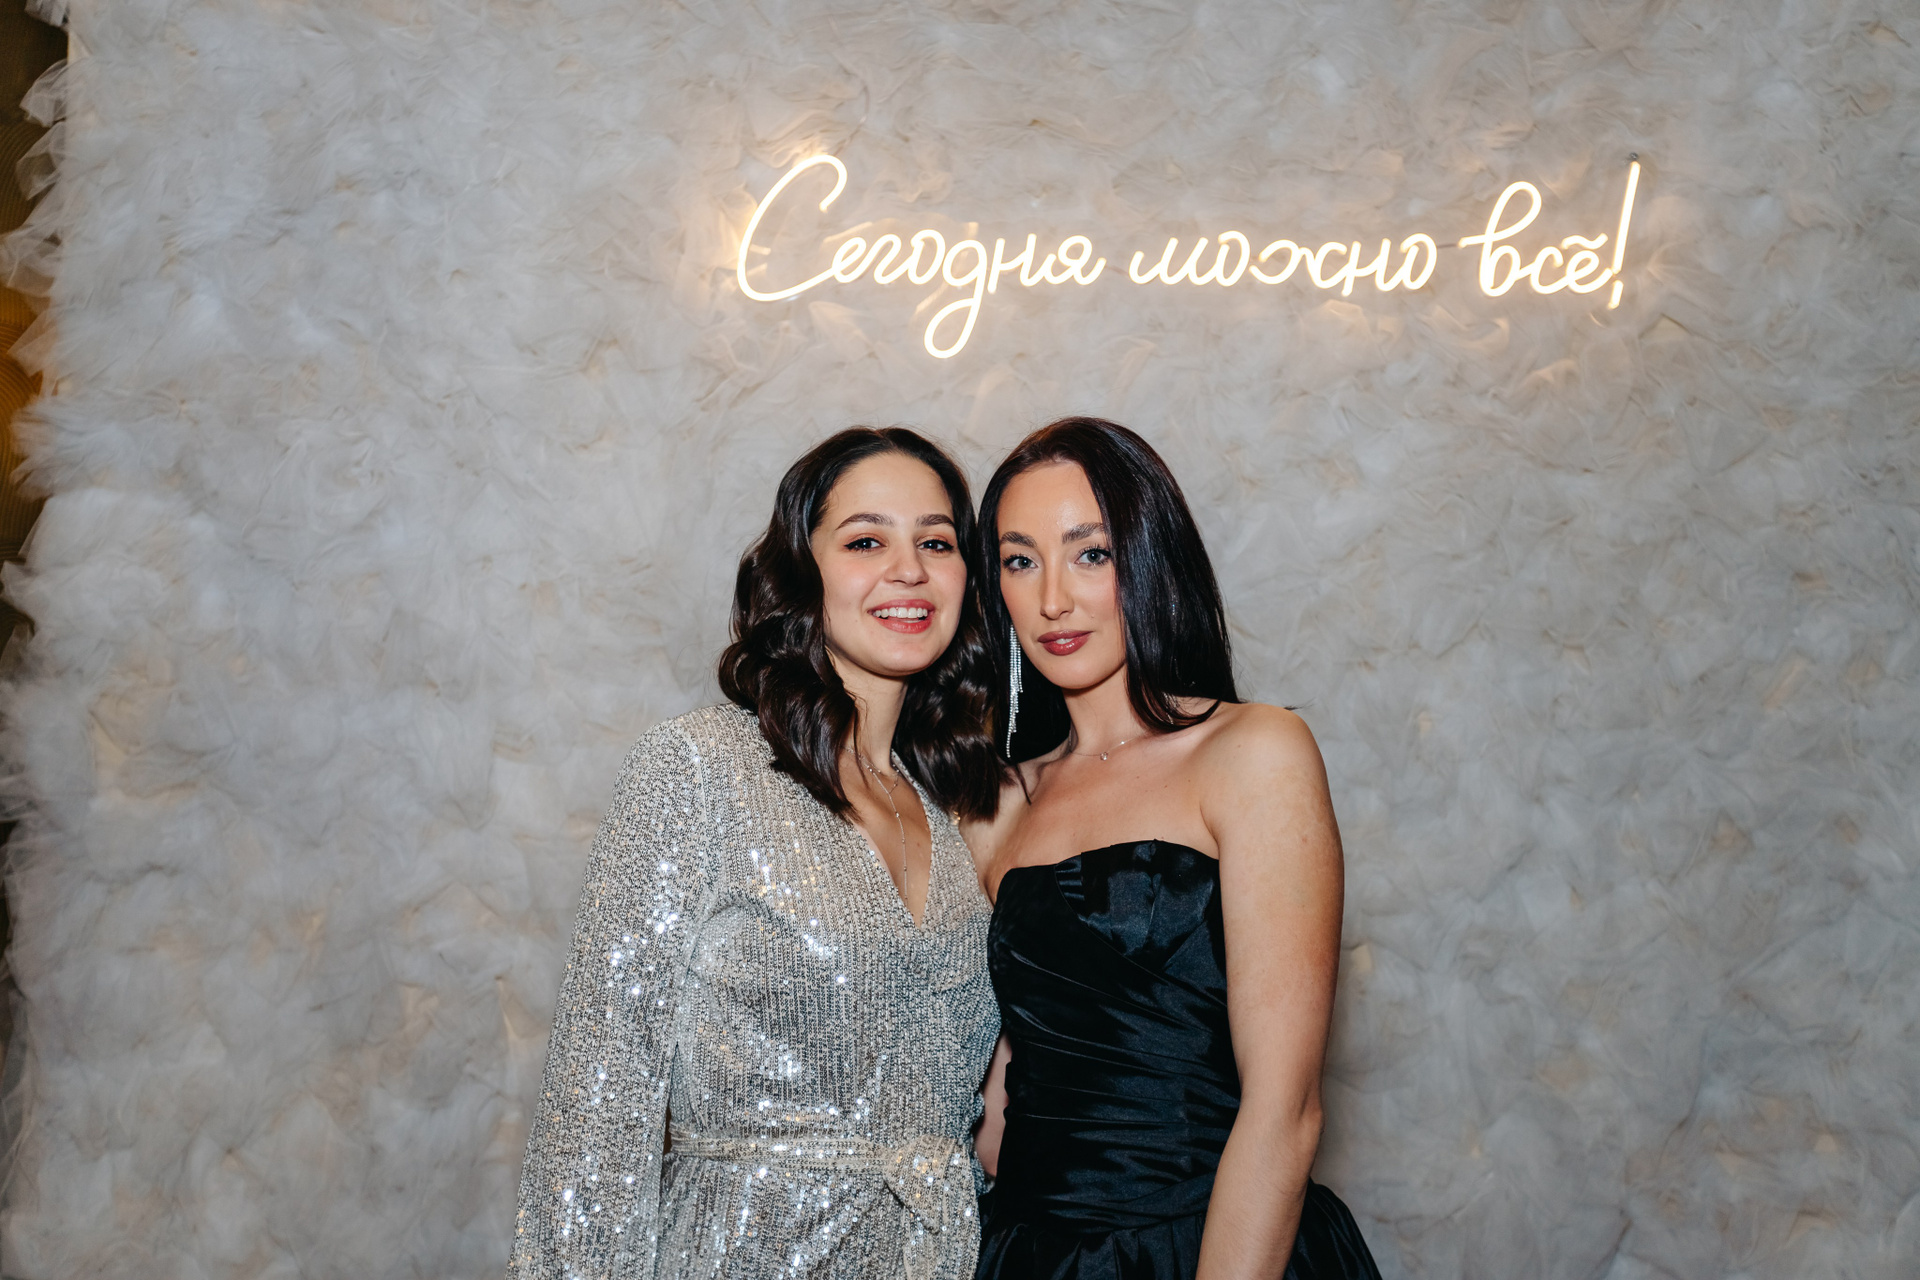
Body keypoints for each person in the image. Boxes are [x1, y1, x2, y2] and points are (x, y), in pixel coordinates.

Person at [509, 427, 1004, 1280]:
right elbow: (599, 1098)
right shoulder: (700, 768)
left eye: (936, 542)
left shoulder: (959, 813)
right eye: (865, 541)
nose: (909, 570)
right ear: (801, 572)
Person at [963, 418, 1381, 1280]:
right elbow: (1000, 1100)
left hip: (1213, 1244)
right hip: (1031, 1254)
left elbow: (1286, 1109)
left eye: (1091, 554)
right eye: (1019, 561)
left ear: (1151, 558)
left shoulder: (1254, 752)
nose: (1052, 600)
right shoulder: (997, 804)